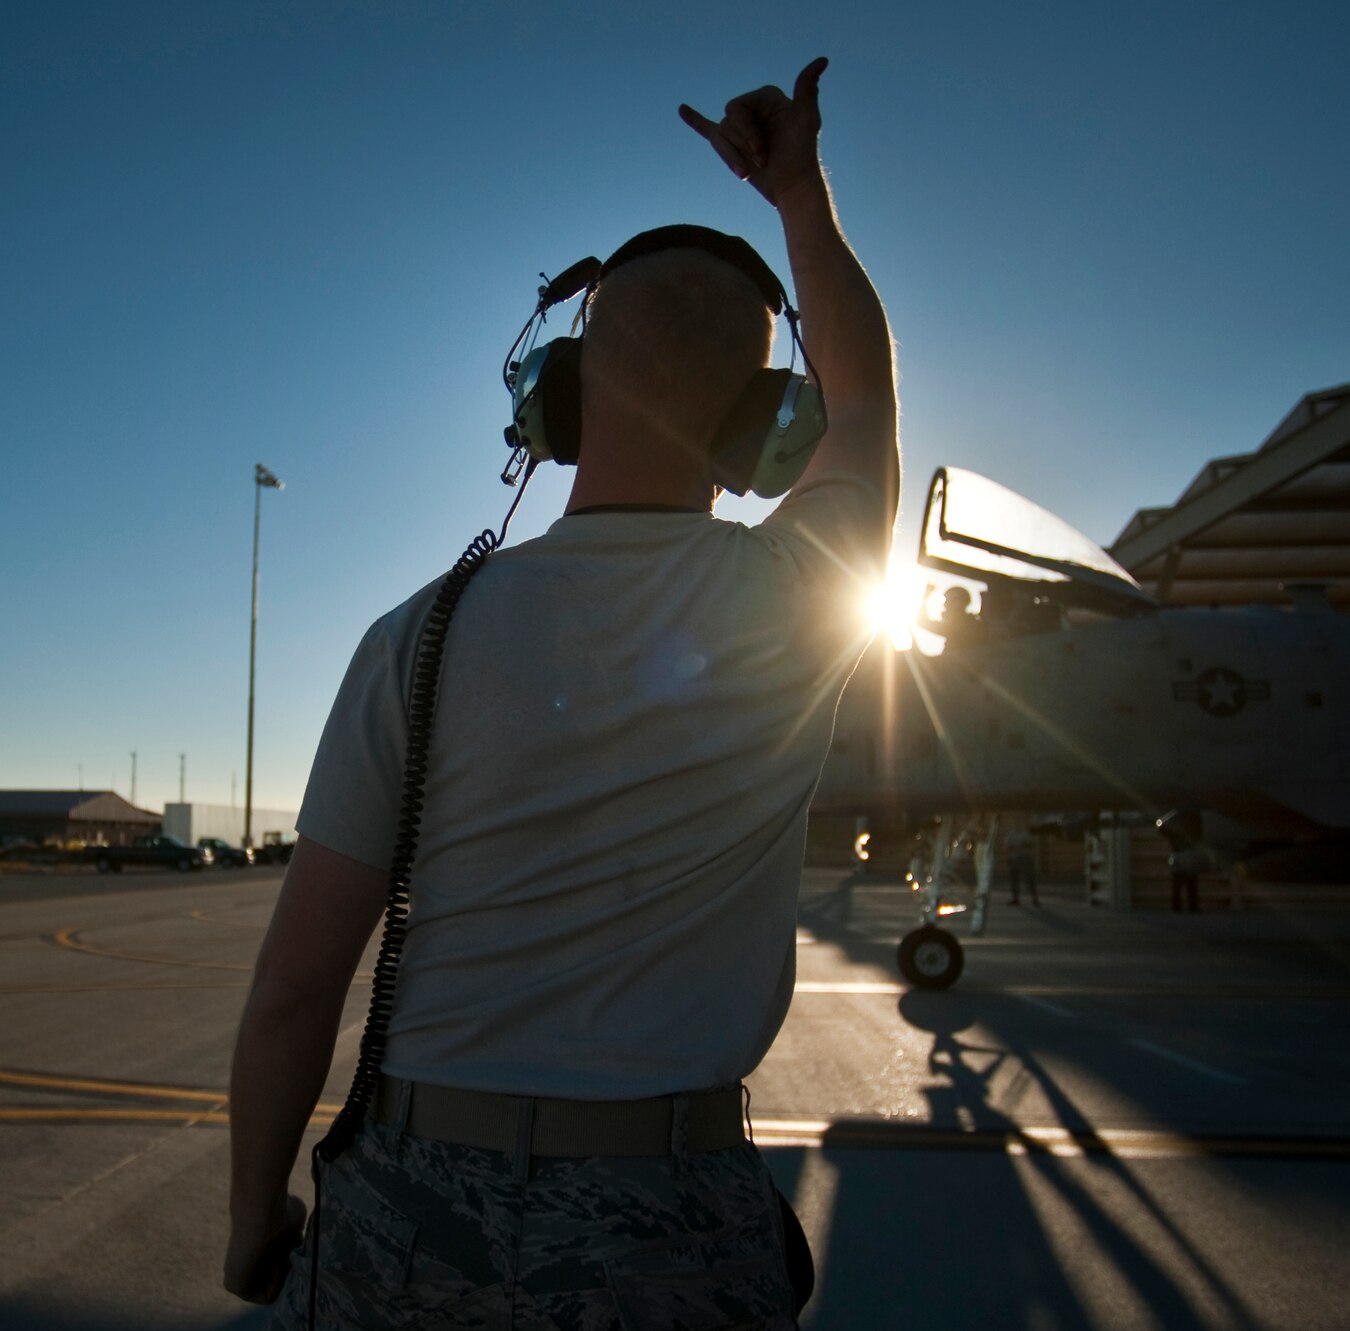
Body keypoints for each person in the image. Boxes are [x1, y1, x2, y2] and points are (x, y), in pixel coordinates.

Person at [222, 58, 897, 1329]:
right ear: (765, 428)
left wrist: (255, 1221)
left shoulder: (416, 633)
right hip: (676, 1225)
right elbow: (864, 394)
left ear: (556, 404)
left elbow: (295, 994)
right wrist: (798, 200)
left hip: (408, 1221)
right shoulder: (802, 601)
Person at [1005, 826, 1039, 906]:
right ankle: (1015, 898)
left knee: (1030, 879)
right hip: (1014, 858)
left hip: (1025, 858)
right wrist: (1020, 846)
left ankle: (1035, 898)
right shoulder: (1010, 834)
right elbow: (1007, 847)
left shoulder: (1026, 833)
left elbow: (1030, 844)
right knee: (1014, 880)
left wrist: (1018, 847)